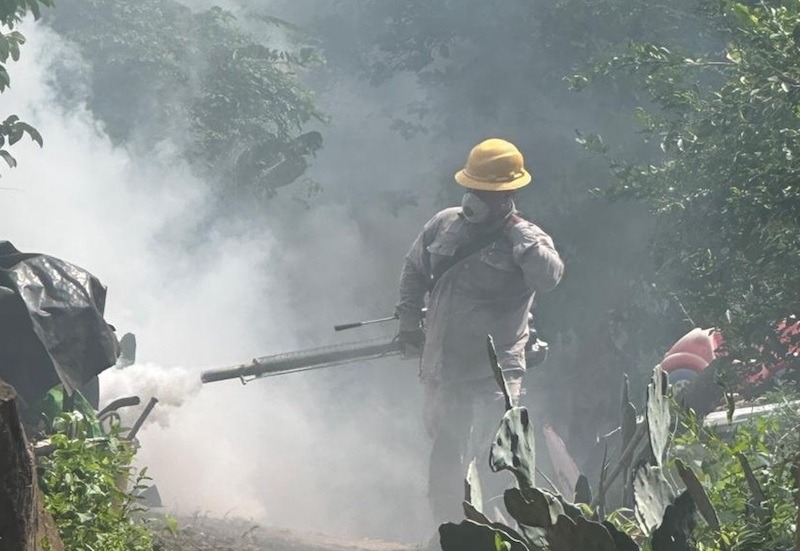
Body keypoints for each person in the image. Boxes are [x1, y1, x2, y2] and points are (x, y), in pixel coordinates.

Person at [395, 138, 564, 525]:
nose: (475, 197)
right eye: (472, 187)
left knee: (495, 459)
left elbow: (551, 277)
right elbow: (413, 271)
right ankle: (446, 534)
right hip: (443, 367)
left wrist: (519, 236)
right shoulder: (443, 224)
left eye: (486, 192)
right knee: (445, 452)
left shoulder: (527, 239)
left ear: (508, 195)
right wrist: (408, 325)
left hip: (495, 373)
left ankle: (496, 536)